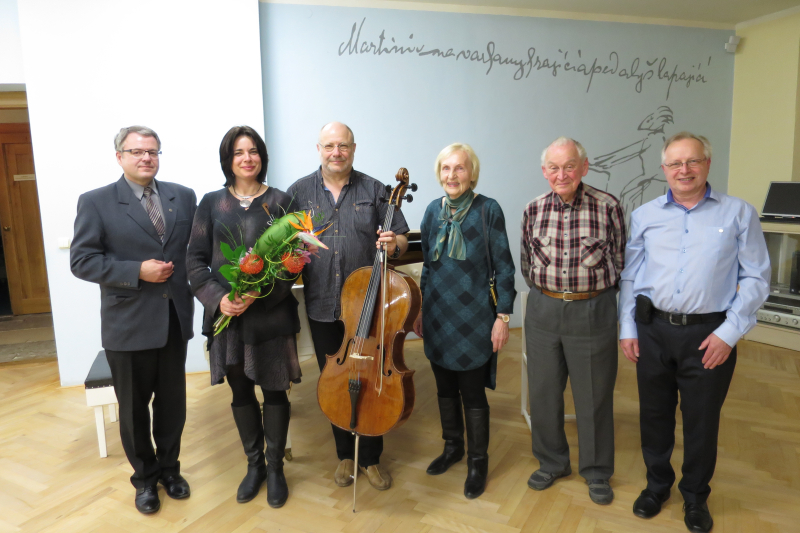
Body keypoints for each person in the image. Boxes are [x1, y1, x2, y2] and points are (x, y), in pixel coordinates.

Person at [619, 132, 770, 533]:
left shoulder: (739, 213)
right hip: (652, 330)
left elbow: (756, 278)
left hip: (709, 335)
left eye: (692, 161)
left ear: (707, 164)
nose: (683, 170)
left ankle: (695, 496)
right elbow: (631, 276)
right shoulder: (645, 215)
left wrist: (729, 333)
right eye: (675, 163)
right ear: (663, 169)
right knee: (654, 415)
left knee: (701, 421)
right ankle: (656, 486)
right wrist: (627, 327)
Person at [70, 126, 197, 514]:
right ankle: (144, 479)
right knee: (133, 410)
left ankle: (171, 471)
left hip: (173, 320)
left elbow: (197, 251)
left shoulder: (182, 196)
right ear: (119, 157)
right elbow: (82, 261)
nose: (146, 158)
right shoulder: (96, 202)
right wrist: (136, 271)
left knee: (172, 406)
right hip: (127, 325)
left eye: (153, 152)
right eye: (137, 151)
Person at [286, 121, 409, 491]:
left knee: (372, 379)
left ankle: (370, 458)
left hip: (367, 304)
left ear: (353, 149)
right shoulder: (298, 192)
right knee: (335, 379)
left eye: (343, 145)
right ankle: (344, 454)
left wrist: (395, 244)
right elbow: (284, 243)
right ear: (319, 149)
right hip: (322, 302)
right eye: (329, 146)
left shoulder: (376, 189)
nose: (336, 152)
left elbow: (402, 239)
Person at [186, 126, 301, 508]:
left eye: (253, 151)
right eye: (238, 152)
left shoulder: (282, 201)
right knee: (240, 390)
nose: (247, 158)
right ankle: (255, 466)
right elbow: (194, 261)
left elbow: (294, 262)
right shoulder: (211, 203)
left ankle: (276, 468)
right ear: (228, 159)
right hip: (229, 317)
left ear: (262, 157)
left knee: (275, 389)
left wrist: (258, 293)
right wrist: (219, 299)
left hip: (270, 316)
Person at [520, 137, 626, 505]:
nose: (561, 174)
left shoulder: (608, 206)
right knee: (544, 392)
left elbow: (621, 261)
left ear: (584, 167)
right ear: (544, 171)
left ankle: (596, 471)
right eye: (553, 167)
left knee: (593, 395)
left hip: (592, 311)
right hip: (543, 310)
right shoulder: (533, 209)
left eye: (569, 166)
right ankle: (552, 462)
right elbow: (527, 264)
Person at [413, 143, 516, 499]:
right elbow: (428, 266)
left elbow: (504, 267)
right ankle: (453, 447)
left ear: (472, 174)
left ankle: (478, 462)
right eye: (446, 168)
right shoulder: (432, 211)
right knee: (444, 389)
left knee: (472, 393)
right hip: (437, 317)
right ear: (439, 173)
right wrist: (421, 308)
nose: (452, 175)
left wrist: (503, 317)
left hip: (474, 320)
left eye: (460, 168)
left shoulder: (488, 210)